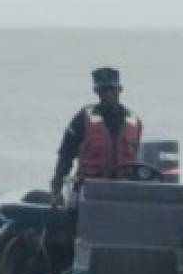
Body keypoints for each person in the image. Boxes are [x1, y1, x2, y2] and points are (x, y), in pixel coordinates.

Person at [50, 67, 143, 206]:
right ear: (96, 91)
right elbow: (65, 156)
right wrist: (56, 191)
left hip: (123, 196)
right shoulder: (82, 119)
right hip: (88, 194)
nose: (108, 94)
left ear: (120, 89)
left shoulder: (135, 123)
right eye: (103, 90)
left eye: (111, 89)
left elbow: (136, 162)